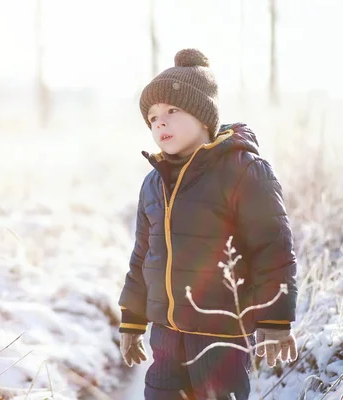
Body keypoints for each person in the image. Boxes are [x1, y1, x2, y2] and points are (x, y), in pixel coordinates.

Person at [117, 48, 298, 400]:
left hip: (221, 333)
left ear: (203, 117)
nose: (160, 123)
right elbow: (143, 257)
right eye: (152, 118)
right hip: (166, 335)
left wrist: (275, 321)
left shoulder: (243, 170)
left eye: (172, 110)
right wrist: (132, 320)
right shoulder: (153, 183)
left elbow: (273, 249)